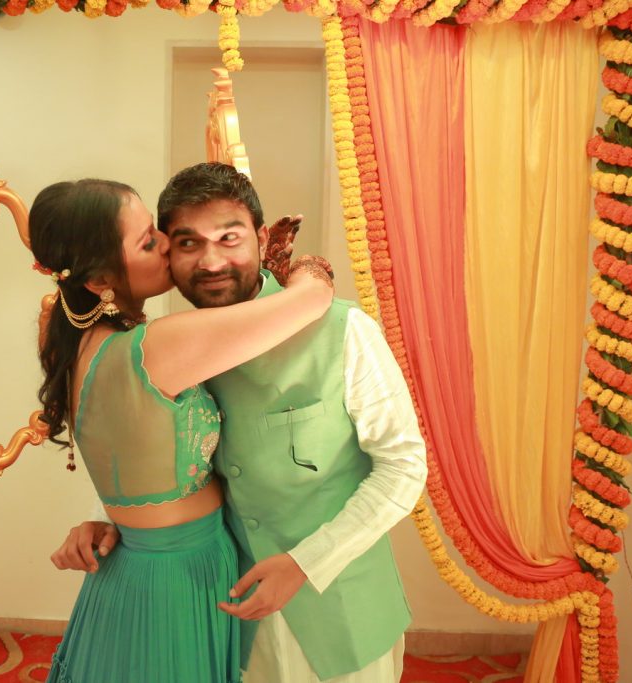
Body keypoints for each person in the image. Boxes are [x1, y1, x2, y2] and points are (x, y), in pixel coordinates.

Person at [53, 163, 427, 683]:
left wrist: (305, 563)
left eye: (229, 238)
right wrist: (114, 518)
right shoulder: (175, 345)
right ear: (168, 251)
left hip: (338, 608)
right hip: (223, 611)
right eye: (186, 243)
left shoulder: (344, 330)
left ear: (261, 236)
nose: (210, 262)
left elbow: (403, 467)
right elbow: (165, 449)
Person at [29, 177, 335, 683]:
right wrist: (307, 267)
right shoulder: (153, 347)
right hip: (175, 576)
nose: (168, 244)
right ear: (101, 279)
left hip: (140, 565)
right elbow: (309, 302)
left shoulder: (79, 344)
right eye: (149, 241)